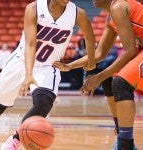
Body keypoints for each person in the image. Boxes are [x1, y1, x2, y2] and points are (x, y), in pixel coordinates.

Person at [0, 0, 96, 149]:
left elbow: (90, 36)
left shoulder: (78, 13)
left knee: (45, 102)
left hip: (48, 66)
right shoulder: (34, 8)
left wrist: (91, 61)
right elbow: (30, 44)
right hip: (21, 61)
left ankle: (15, 140)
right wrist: (28, 74)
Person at [53, 0, 143, 149]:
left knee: (120, 83)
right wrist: (69, 66)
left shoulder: (119, 6)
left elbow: (130, 51)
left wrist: (97, 78)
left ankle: (125, 145)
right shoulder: (110, 17)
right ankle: (122, 137)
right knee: (109, 80)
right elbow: (99, 53)